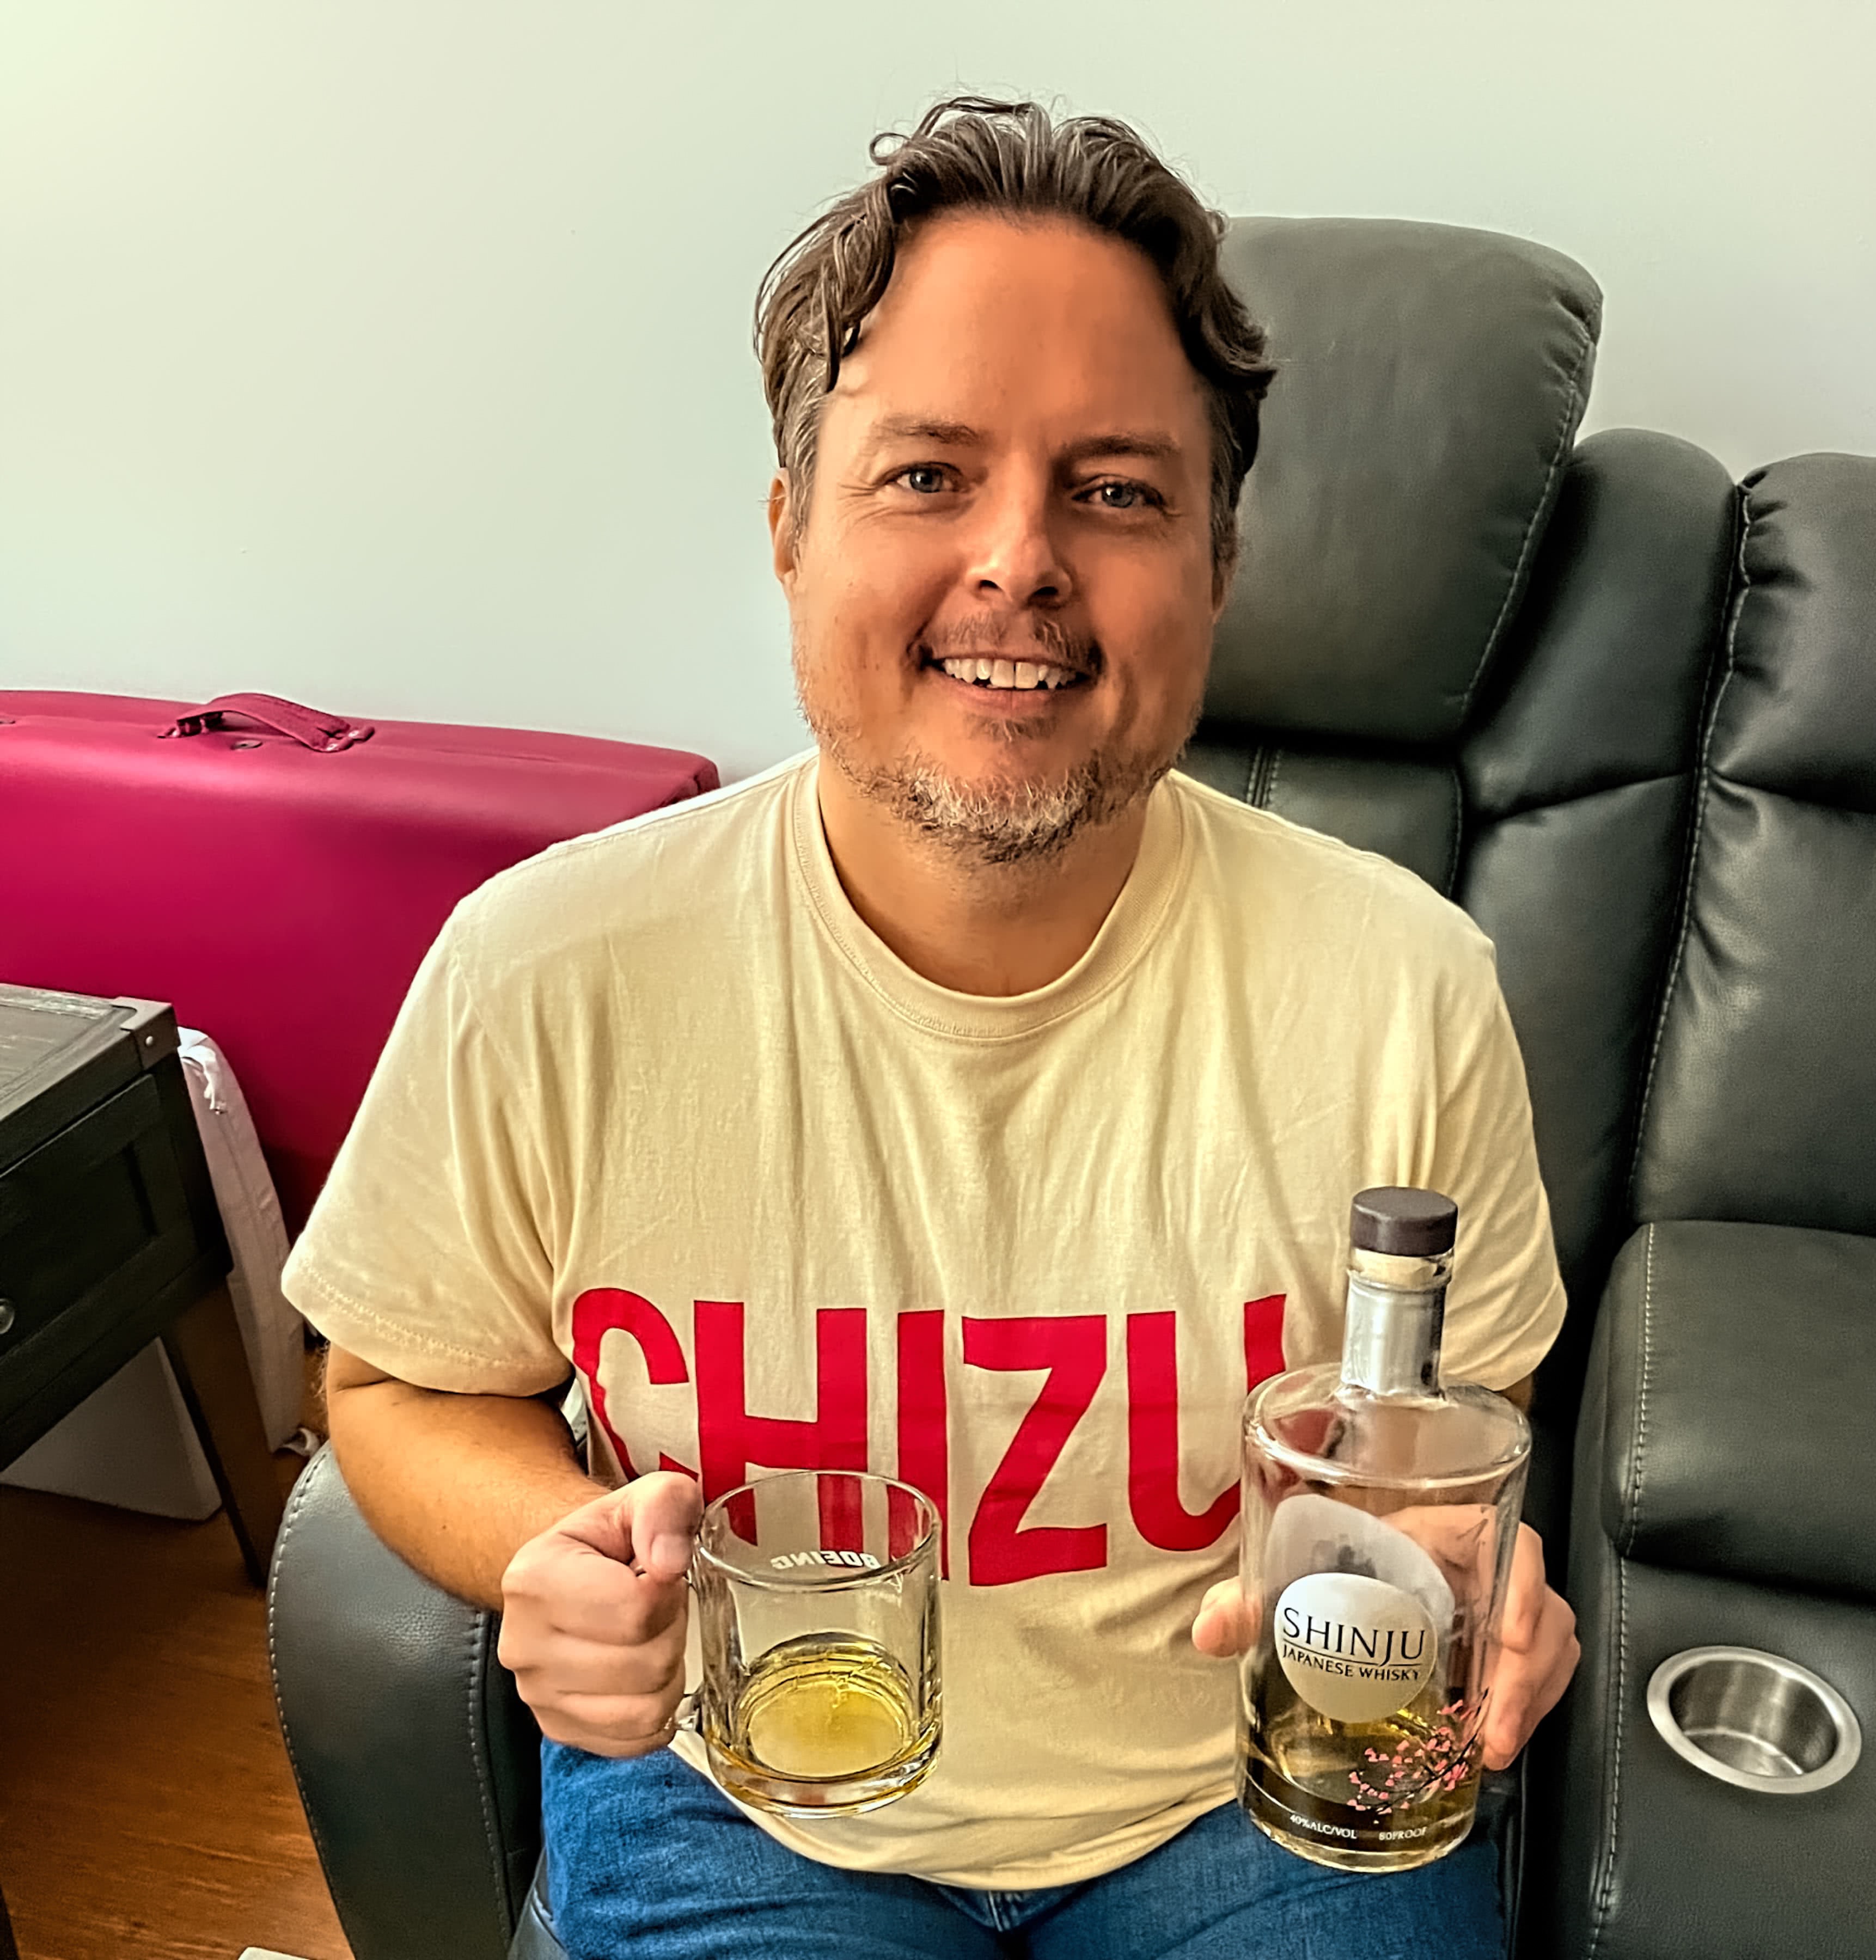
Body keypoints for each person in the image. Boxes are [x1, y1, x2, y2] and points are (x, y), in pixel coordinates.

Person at [288, 95, 1581, 1960]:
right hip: (748, 1791)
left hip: (1249, 1788)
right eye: (925, 475)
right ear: (792, 534)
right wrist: (537, 1553)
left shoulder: (1406, 989)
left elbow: (1464, 1425)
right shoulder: (546, 970)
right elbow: (395, 1381)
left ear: (1219, 562)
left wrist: (1478, 1571)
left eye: (1120, 490)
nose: (1019, 562)